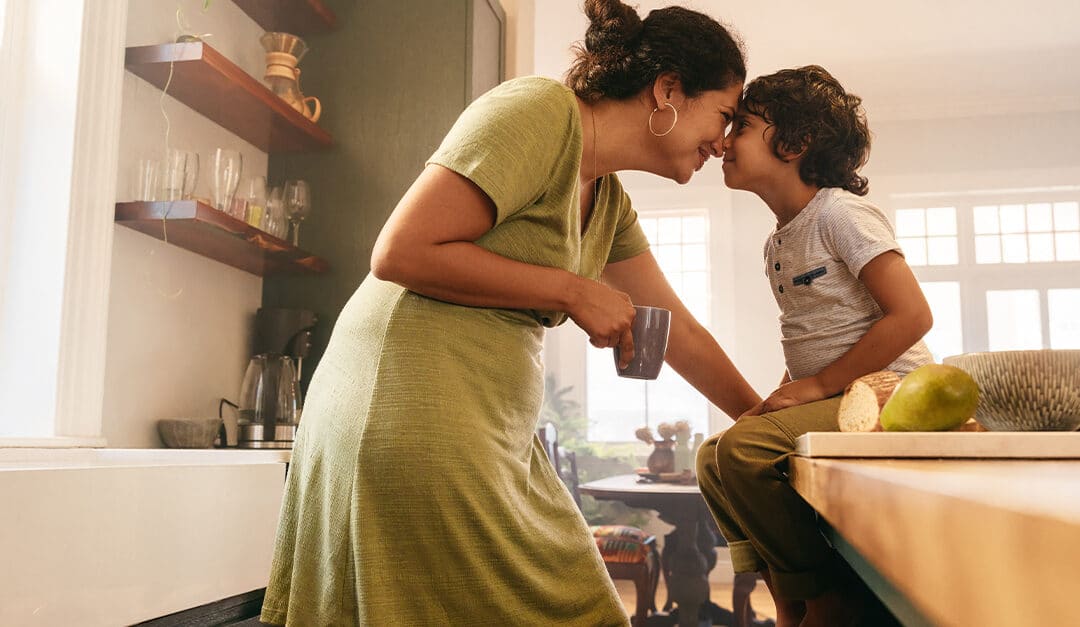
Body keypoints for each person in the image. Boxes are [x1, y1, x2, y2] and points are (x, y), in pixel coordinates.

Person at [260, 1, 760, 625]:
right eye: (725, 114)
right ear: (668, 90)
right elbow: (399, 251)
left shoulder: (609, 201)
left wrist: (762, 417)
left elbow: (677, 327)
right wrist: (574, 292)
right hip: (406, 403)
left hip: (489, 426)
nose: (726, 140)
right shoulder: (539, 112)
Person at [695, 66, 934, 627]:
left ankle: (829, 597)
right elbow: (814, 333)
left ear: (795, 144)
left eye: (744, 126)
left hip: (887, 392)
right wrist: (788, 391)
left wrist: (820, 386)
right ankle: (787, 592)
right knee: (713, 456)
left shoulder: (840, 213)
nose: (725, 141)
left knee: (744, 451)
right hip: (836, 391)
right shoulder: (779, 239)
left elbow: (914, 314)